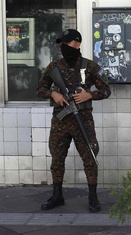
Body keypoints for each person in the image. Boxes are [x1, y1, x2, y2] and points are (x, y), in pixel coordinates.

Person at [36, 29, 111, 212]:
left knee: (90, 158)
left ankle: (93, 198)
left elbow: (107, 90)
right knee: (57, 158)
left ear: (77, 44)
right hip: (60, 121)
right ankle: (57, 195)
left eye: (67, 43)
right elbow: (40, 89)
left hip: (83, 120)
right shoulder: (54, 67)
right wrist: (53, 93)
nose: (63, 47)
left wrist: (88, 95)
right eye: (62, 43)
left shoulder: (90, 66)